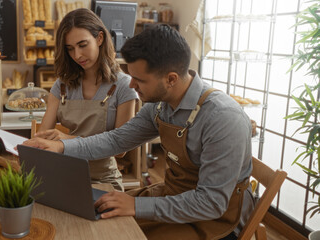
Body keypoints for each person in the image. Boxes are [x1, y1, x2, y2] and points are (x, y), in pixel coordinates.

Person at [23, 24, 254, 240]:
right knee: (92, 215)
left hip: (215, 221)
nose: (131, 85)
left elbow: (210, 203)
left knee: (112, 232)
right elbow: (118, 139)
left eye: (139, 79)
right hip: (173, 197)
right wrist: (62, 146)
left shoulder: (223, 119)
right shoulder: (160, 104)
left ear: (171, 78)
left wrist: (135, 206)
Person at [33, 8, 138, 191]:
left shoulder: (124, 86)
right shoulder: (62, 85)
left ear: (99, 38)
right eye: (70, 49)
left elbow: (121, 149)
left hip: (103, 180)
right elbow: (43, 136)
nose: (77, 55)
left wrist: (66, 141)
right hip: (63, 174)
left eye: (83, 45)